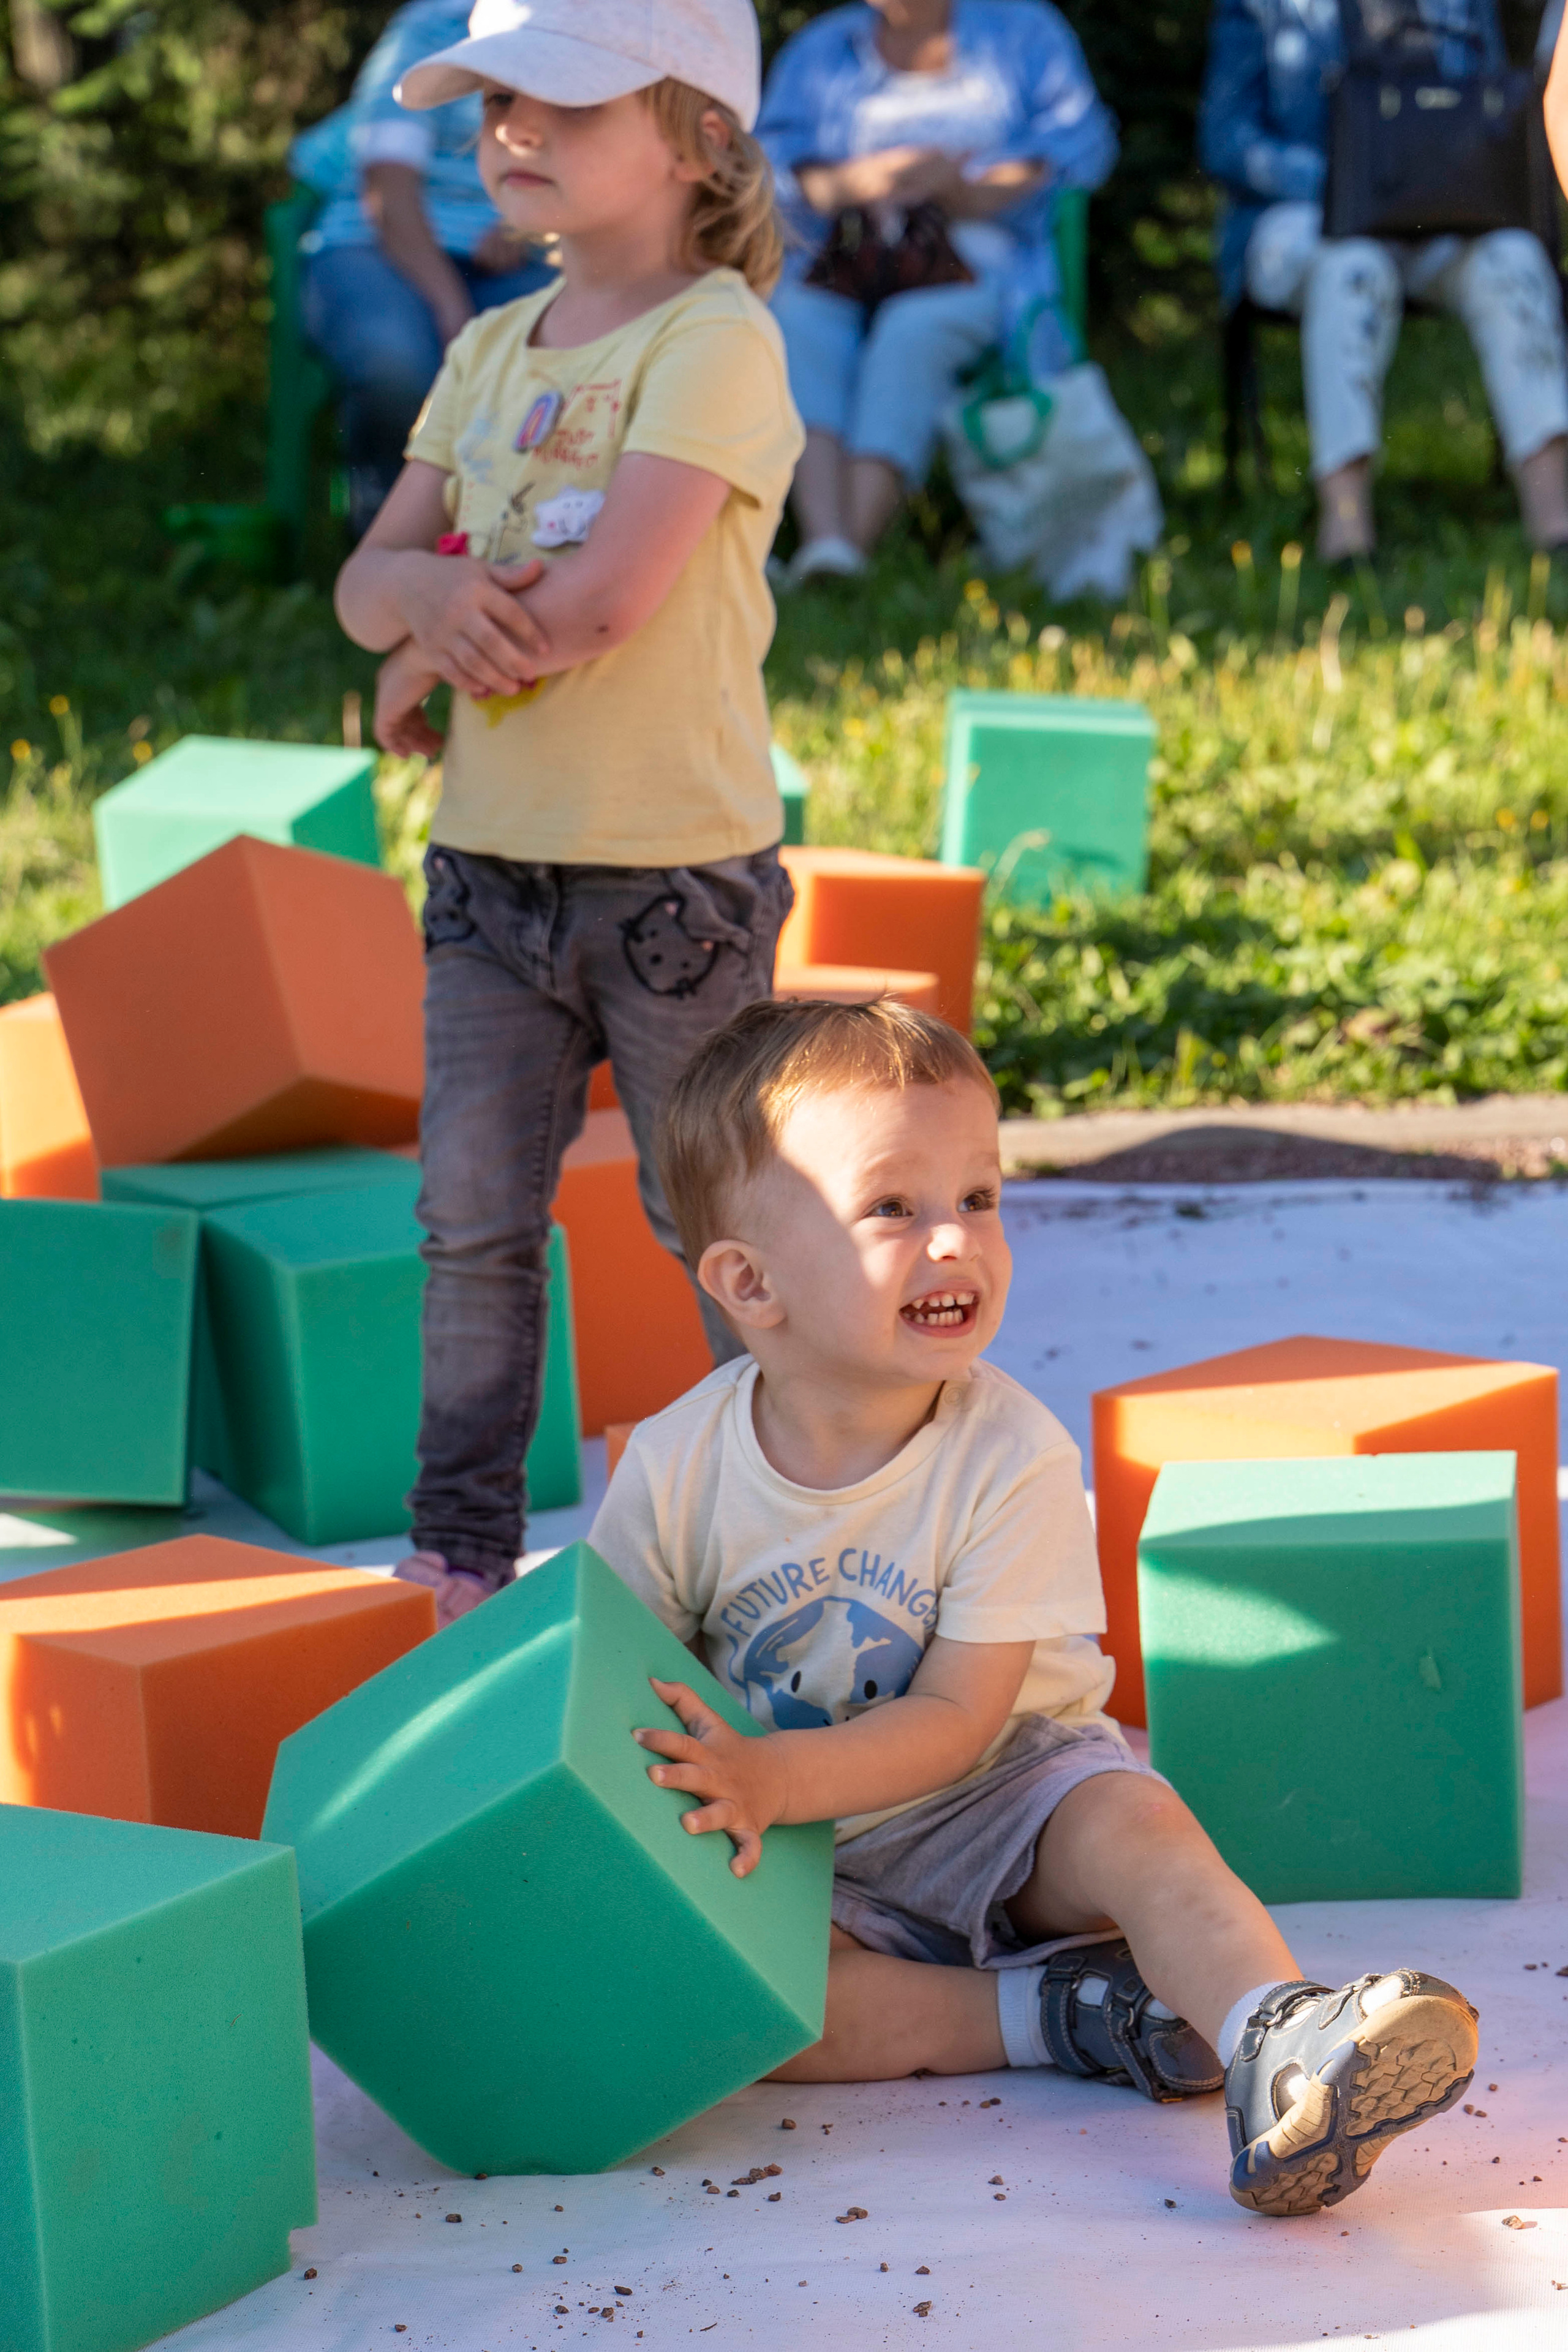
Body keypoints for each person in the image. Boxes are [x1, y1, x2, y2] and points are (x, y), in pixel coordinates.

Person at [590, 994, 1480, 2214]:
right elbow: (617, 1673)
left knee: (1136, 1827)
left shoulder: (1007, 1452)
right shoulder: (678, 1464)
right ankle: (1064, 2015)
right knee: (755, 2004)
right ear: (750, 1282)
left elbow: (958, 1718)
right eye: (893, 1209)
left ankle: (1277, 2036)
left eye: (977, 1197)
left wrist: (772, 1777)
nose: (953, 1241)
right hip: (804, 1845)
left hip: (1003, 1797)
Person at [332, 0, 804, 1629]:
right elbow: (364, 582)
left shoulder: (715, 340)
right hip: (487, 882)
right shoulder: (485, 351)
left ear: (702, 140)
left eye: (566, 102)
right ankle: (459, 1554)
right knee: (470, 1226)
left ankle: (790, 1533)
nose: (512, 131)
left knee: (716, 1224)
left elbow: (601, 603)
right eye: (492, 106)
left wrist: (430, 633)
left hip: (673, 887)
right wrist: (415, 605)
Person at [756, 0, 1117, 584]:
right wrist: (855, 182)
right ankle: (826, 542)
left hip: (978, 263)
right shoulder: (821, 50)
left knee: (914, 332)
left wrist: (967, 190)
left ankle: (845, 551)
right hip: (844, 261)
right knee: (797, 321)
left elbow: (1080, 148)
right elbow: (763, 172)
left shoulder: (1026, 31)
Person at [1199, 0, 1568, 561]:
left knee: (1514, 261)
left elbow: (1490, 110)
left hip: (1434, 210)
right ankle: (1347, 529)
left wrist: (1439, 179)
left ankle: (1555, 521)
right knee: (1352, 271)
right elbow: (1225, 140)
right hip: (1304, 217)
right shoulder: (1262, 8)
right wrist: (1347, 182)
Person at [292, 0, 556, 537]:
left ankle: (518, 539)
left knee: (568, 360)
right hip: (377, 247)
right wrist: (450, 307)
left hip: (515, 258)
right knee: (396, 363)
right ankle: (388, 538)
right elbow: (388, 190)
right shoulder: (429, 28)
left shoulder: (577, 27)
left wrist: (531, 224)